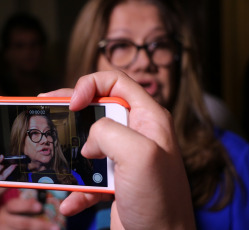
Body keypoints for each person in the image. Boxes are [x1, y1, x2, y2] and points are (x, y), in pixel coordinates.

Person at [48, 0, 249, 229]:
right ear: (89, 58)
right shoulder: (53, 160)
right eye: (121, 45)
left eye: (159, 44)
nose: (145, 62)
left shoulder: (237, 161)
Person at [0, 110, 84, 185]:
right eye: (34, 133)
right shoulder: (5, 180)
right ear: (20, 141)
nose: (45, 140)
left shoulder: (72, 177)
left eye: (48, 133)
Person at [0, 12, 57, 96]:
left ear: (42, 48)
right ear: (7, 52)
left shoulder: (55, 87)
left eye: (34, 44)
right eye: (19, 46)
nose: (28, 51)